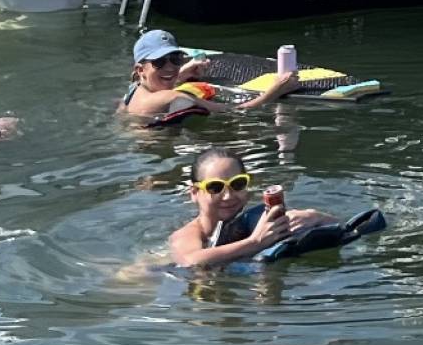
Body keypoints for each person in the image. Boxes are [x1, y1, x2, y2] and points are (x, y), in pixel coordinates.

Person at [169, 147, 336, 268]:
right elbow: (189, 261)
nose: (228, 196)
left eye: (238, 184)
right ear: (194, 193)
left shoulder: (257, 222)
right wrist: (255, 242)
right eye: (215, 187)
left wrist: (316, 217)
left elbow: (342, 227)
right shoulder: (189, 234)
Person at [119, 28, 298, 120]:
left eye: (175, 59)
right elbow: (235, 111)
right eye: (159, 62)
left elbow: (160, 84)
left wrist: (181, 74)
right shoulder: (172, 97)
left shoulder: (133, 90)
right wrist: (275, 91)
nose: (170, 67)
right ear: (140, 70)